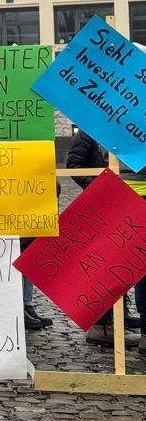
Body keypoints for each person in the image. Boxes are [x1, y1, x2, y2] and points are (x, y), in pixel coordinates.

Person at [69, 127, 142, 346]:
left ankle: (119, 315)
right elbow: (74, 167)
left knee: (125, 264)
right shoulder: (86, 134)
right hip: (102, 207)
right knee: (105, 266)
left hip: (125, 207)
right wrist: (101, 189)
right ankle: (101, 323)